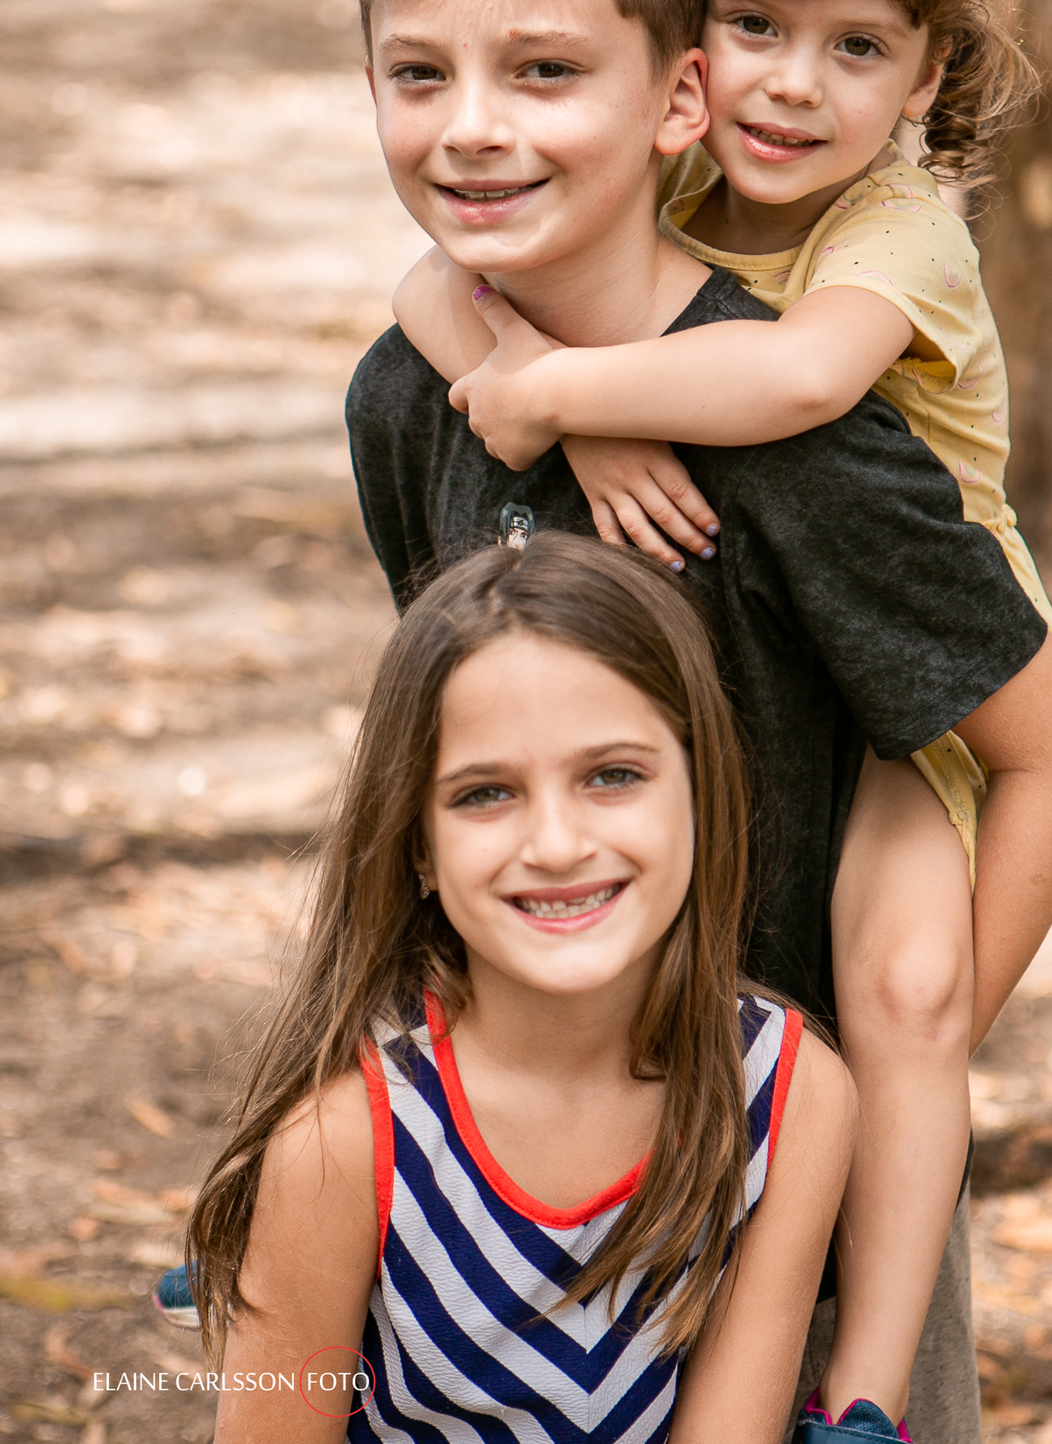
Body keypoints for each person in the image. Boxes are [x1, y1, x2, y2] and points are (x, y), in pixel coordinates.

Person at [335, 0, 1052, 1443]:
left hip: (797, 1184)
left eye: (544, 73)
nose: (478, 129)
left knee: (902, 993)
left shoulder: (830, 397)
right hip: (504, 1184)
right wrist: (553, 398)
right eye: (421, 75)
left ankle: (865, 1396)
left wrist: (870, 1086)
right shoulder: (417, 392)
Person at [186, 534, 858, 1443]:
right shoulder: (343, 1145)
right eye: (485, 793)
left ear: (703, 795)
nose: (556, 844)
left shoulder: (789, 1092)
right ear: (418, 846)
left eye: (613, 776)